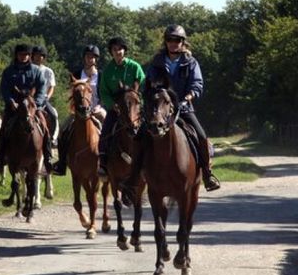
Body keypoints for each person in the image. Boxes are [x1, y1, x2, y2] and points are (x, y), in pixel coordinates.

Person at [137, 24, 220, 192]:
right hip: (160, 110)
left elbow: (197, 85)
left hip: (184, 108)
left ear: (183, 42)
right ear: (165, 42)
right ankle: (135, 175)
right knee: (139, 136)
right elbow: (148, 83)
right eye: (169, 40)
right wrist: (151, 90)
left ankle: (207, 173)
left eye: (177, 40)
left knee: (201, 136)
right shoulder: (157, 62)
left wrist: (187, 98)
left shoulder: (191, 62)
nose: (173, 43)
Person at [0, 44, 54, 174]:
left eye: (26, 55)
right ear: (16, 55)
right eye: (21, 54)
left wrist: (36, 103)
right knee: (3, 130)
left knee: (45, 128)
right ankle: (1, 160)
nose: (24, 57)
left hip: (32, 106)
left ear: (29, 56)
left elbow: (42, 87)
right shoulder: (8, 71)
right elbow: (4, 89)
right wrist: (11, 101)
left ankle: (47, 159)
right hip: (14, 107)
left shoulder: (36, 70)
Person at [52, 44, 106, 176]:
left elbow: (104, 94)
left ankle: (106, 163)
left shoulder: (101, 75)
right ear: (84, 58)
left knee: (109, 129)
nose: (90, 59)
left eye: (92, 57)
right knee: (63, 131)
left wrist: (100, 106)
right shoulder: (77, 74)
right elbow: (72, 94)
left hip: (96, 109)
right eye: (88, 56)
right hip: (78, 112)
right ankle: (62, 163)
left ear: (96, 59)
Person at [97, 36, 145, 178]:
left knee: (150, 130)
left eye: (120, 49)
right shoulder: (108, 71)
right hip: (116, 109)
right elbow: (104, 92)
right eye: (114, 49)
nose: (118, 52)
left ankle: (149, 162)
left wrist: (139, 102)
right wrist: (113, 105)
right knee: (105, 131)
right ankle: (104, 164)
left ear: (125, 50)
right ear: (111, 52)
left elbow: (143, 84)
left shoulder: (135, 67)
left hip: (135, 108)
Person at [30, 45, 58, 146]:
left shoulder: (48, 71)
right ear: (32, 56)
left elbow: (51, 87)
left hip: (43, 99)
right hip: (29, 99)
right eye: (36, 55)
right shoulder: (29, 69)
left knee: (53, 115)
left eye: (41, 55)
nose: (38, 57)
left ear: (44, 57)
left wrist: (47, 97)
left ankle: (52, 138)